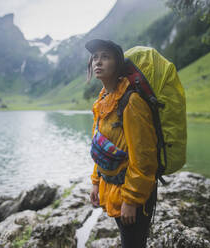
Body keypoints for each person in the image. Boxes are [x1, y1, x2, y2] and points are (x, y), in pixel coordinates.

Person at [86, 39, 158, 248]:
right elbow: (101, 147)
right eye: (95, 58)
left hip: (133, 194)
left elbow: (144, 156)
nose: (98, 62)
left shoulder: (131, 101)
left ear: (117, 64)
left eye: (105, 57)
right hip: (113, 190)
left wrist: (132, 200)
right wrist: (95, 181)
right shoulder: (102, 101)